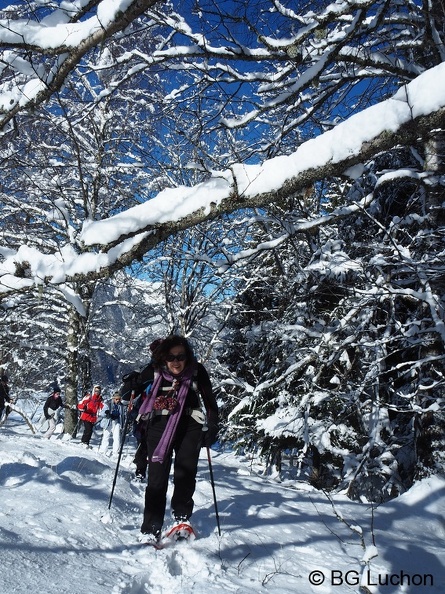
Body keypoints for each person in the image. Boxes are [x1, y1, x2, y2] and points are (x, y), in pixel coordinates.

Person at [121, 335, 219, 545]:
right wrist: (129, 385)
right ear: (163, 358)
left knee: (186, 474)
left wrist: (212, 425)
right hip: (158, 427)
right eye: (170, 357)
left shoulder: (196, 371)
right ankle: (150, 527)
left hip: (190, 426)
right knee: (157, 477)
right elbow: (128, 394)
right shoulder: (153, 371)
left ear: (188, 356)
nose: (175, 361)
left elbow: (210, 402)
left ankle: (182, 518)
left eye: (180, 356)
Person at [99, 391, 124, 456]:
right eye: (116, 399)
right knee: (106, 436)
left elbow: (123, 415)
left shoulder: (121, 405)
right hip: (108, 422)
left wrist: (122, 423)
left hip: (116, 422)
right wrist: (106, 413)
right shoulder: (108, 404)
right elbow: (102, 413)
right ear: (113, 398)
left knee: (117, 437)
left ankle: (115, 452)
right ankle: (103, 450)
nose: (117, 400)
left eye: (119, 399)